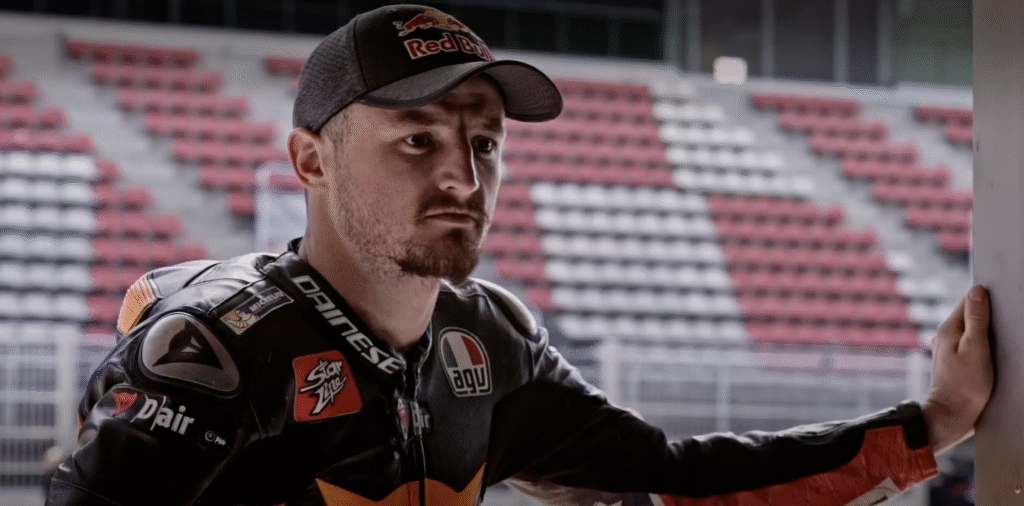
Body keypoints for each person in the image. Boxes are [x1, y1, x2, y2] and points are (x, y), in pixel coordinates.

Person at [46, 4, 993, 506]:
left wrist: (937, 420)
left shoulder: (490, 335)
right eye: (417, 139)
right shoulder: (210, 353)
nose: (464, 175)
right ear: (310, 160)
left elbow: (671, 480)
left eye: (486, 143)